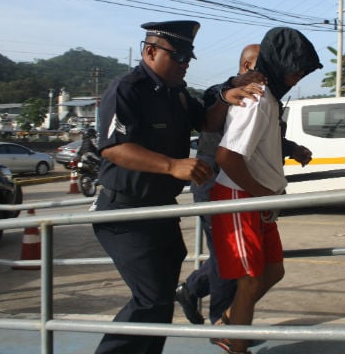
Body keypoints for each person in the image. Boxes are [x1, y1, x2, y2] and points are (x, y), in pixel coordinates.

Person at [91, 20, 263, 354]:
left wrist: (228, 97)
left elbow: (207, 121)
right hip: (124, 212)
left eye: (188, 57)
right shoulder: (127, 88)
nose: (185, 63)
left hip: (160, 211)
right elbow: (113, 147)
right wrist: (171, 165)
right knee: (151, 298)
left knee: (160, 302)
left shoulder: (178, 94)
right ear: (150, 51)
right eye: (178, 54)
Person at [175, 44, 313, 329]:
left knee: (247, 262)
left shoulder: (265, 97)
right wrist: (229, 89)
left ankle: (199, 296)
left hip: (245, 186)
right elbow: (216, 103)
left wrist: (291, 148)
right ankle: (222, 326)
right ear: (247, 67)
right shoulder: (225, 93)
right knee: (233, 262)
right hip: (216, 183)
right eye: (260, 67)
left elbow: (261, 140)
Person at [209, 27, 322, 354]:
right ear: (278, 63)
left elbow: (260, 149)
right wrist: (260, 194)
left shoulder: (271, 99)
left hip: (259, 198)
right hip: (239, 196)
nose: (299, 76)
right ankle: (236, 345)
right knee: (250, 279)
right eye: (295, 68)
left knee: (273, 270)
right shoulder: (256, 99)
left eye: (303, 70)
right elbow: (226, 156)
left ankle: (229, 323)